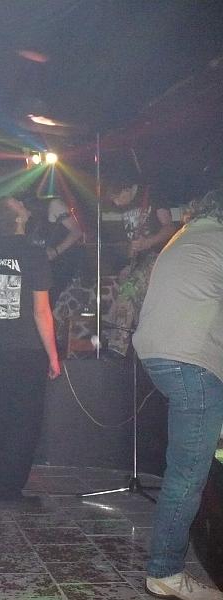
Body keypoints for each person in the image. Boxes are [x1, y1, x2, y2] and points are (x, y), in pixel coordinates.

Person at [132, 188, 223, 600]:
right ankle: (165, 572)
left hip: (162, 356)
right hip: (191, 363)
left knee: (190, 463)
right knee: (186, 474)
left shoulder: (186, 237)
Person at [0, 196, 61, 508]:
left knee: (4, 419)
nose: (24, 204)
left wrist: (1, 324)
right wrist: (53, 356)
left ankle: (3, 483)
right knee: (25, 424)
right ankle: (6, 493)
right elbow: (41, 311)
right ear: (17, 218)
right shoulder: (32, 253)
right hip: (27, 350)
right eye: (18, 204)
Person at [105, 180, 176, 356]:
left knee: (129, 291)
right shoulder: (125, 208)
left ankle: (116, 349)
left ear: (126, 189)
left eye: (117, 197)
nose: (116, 203)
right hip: (138, 262)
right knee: (131, 302)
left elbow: (170, 228)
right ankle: (139, 351)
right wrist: (128, 261)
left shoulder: (151, 195)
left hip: (156, 258)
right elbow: (132, 243)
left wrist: (148, 242)